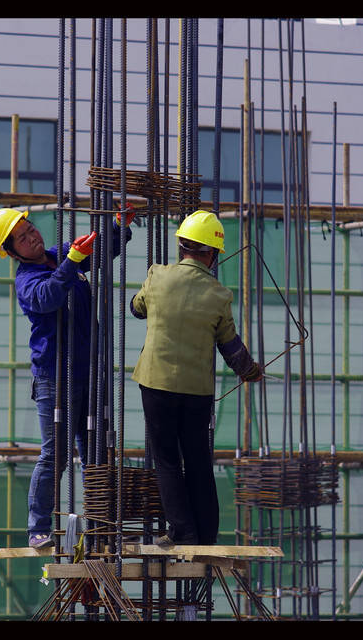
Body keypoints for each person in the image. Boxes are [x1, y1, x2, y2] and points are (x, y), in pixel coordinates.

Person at [0, 206, 133, 549]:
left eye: (30, 228)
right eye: (21, 237)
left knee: (95, 451)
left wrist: (117, 227)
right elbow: (49, 297)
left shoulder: (57, 255)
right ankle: (38, 527)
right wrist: (71, 261)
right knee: (56, 454)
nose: (32, 236)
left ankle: (99, 523)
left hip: (88, 370)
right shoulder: (27, 280)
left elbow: (98, 253)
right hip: (55, 377)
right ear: (11, 251)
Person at [130, 209, 262, 547]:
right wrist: (250, 371)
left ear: (181, 246)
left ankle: (182, 531)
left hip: (156, 383)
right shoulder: (219, 294)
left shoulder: (157, 276)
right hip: (196, 392)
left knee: (166, 459)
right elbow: (230, 346)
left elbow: (136, 308)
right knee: (199, 461)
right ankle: (206, 534)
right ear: (212, 253)